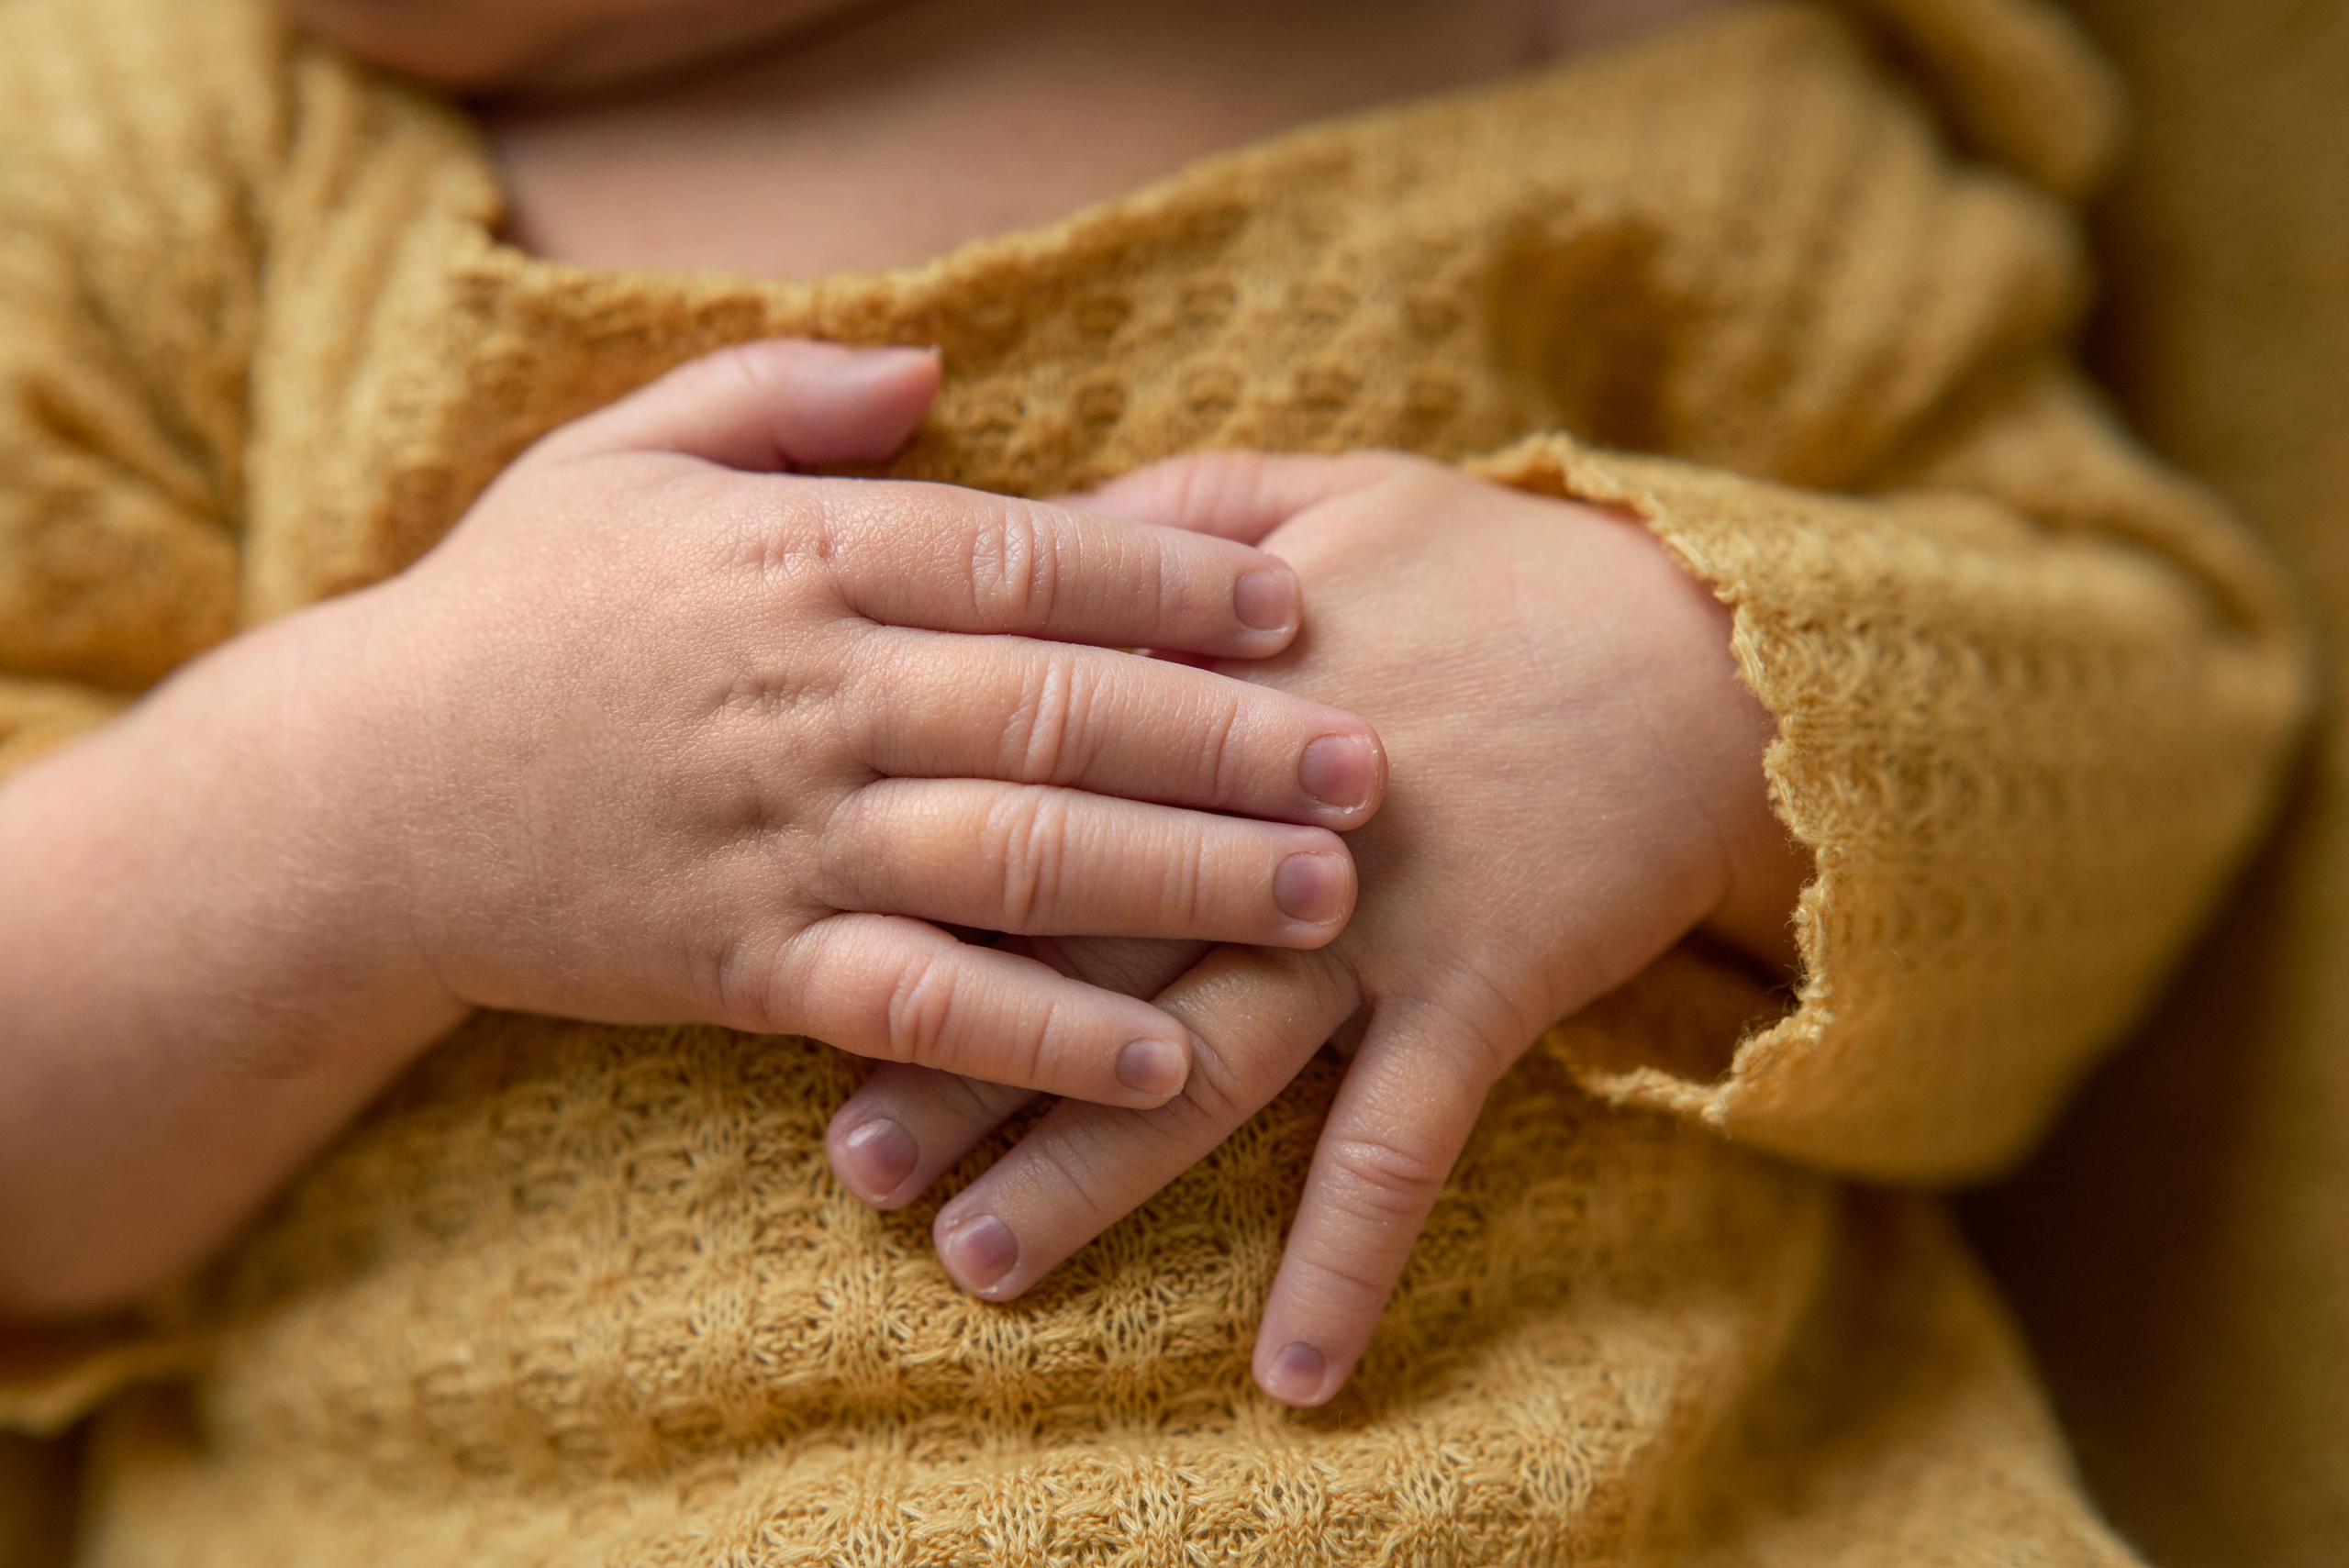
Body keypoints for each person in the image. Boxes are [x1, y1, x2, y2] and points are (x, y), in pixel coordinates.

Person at [0, 0, 2310, 1562]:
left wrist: (1686, 699)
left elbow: (2146, 724)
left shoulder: (1625, 77)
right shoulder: (152, 152)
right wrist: (353, 809)